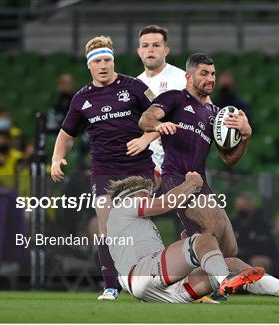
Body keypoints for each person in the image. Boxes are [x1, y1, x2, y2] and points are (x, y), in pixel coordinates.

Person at [105, 173, 279, 305]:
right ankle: (225, 280)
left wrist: (187, 250)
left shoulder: (129, 225)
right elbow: (165, 203)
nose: (149, 197)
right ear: (131, 194)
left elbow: (151, 261)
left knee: (230, 263)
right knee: (202, 241)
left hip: (154, 290)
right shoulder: (126, 204)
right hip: (141, 276)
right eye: (145, 194)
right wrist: (191, 183)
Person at [50, 35, 159, 301]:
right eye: (97, 61)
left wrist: (145, 138)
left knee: (138, 225)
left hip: (139, 168)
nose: (103, 65)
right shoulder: (81, 99)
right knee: (106, 227)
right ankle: (111, 286)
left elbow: (162, 116)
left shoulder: (135, 87)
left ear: (113, 61)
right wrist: (56, 158)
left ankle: (149, 280)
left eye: (107, 60)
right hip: (104, 171)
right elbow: (66, 134)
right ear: (89, 66)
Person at [139, 53, 251, 261]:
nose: (210, 79)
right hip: (176, 177)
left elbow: (229, 159)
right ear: (189, 77)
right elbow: (146, 119)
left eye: (213, 74)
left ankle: (180, 255)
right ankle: (204, 280)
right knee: (213, 226)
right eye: (204, 74)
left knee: (230, 248)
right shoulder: (174, 98)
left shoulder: (216, 114)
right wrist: (158, 125)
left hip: (201, 183)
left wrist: (245, 136)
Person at [136, 25, 186, 178]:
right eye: (145, 45)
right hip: (147, 162)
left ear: (166, 51)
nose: (150, 50)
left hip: (179, 161)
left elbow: (204, 112)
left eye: (156, 45)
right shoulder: (135, 84)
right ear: (139, 52)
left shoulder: (182, 79)